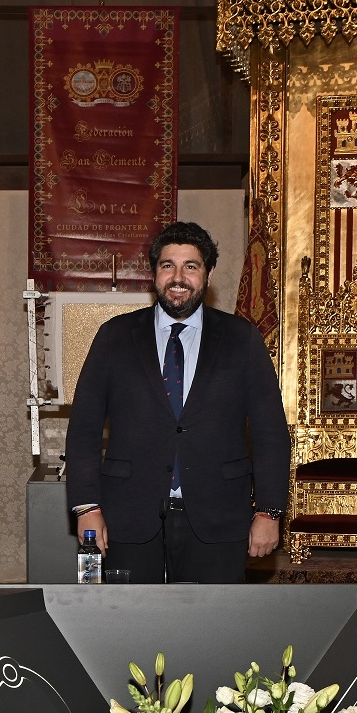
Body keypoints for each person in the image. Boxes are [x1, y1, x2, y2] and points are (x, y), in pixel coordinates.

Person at [65, 220, 289, 583]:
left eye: (191, 266)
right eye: (168, 265)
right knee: (128, 616)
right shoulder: (114, 337)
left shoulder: (241, 339)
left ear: (208, 274)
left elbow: (270, 433)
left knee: (210, 618)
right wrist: (86, 507)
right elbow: (83, 430)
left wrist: (269, 512)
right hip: (128, 514)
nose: (178, 277)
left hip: (219, 513)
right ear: (154, 274)